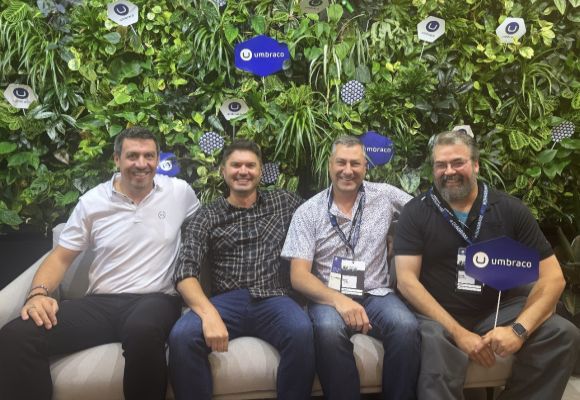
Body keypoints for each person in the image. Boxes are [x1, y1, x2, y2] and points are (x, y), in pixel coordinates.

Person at [0, 127, 200, 400]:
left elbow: (205, 227)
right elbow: (60, 257)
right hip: (102, 304)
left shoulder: (179, 193)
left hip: (156, 299)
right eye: (133, 156)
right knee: (18, 335)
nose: (141, 164)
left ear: (157, 158)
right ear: (117, 159)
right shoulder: (93, 202)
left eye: (149, 156)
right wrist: (37, 294)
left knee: (142, 330)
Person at [394, 130, 580, 399]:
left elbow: (553, 278)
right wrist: (459, 333)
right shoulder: (416, 211)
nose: (449, 171)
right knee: (433, 343)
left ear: (476, 164)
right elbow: (407, 281)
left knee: (563, 334)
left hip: (496, 311)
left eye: (458, 162)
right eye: (440, 165)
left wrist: (518, 330)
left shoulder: (509, 209)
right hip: (438, 315)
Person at [168, 139, 315, 400]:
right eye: (236, 165)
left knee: (302, 331)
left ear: (260, 171)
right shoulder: (208, 215)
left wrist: (391, 231)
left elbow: (322, 215)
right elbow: (184, 272)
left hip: (275, 298)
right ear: (223, 170)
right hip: (227, 302)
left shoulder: (284, 202)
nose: (243, 171)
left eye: (250, 165)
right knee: (182, 336)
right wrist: (208, 313)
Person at [281, 135, 420, 400]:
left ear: (365, 167)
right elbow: (298, 276)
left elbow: (425, 214)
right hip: (328, 297)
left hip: (377, 293)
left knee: (406, 327)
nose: (348, 170)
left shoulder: (385, 195)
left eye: (355, 164)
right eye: (341, 163)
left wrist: (402, 239)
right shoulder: (308, 212)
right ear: (330, 165)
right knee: (328, 331)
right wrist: (340, 300)